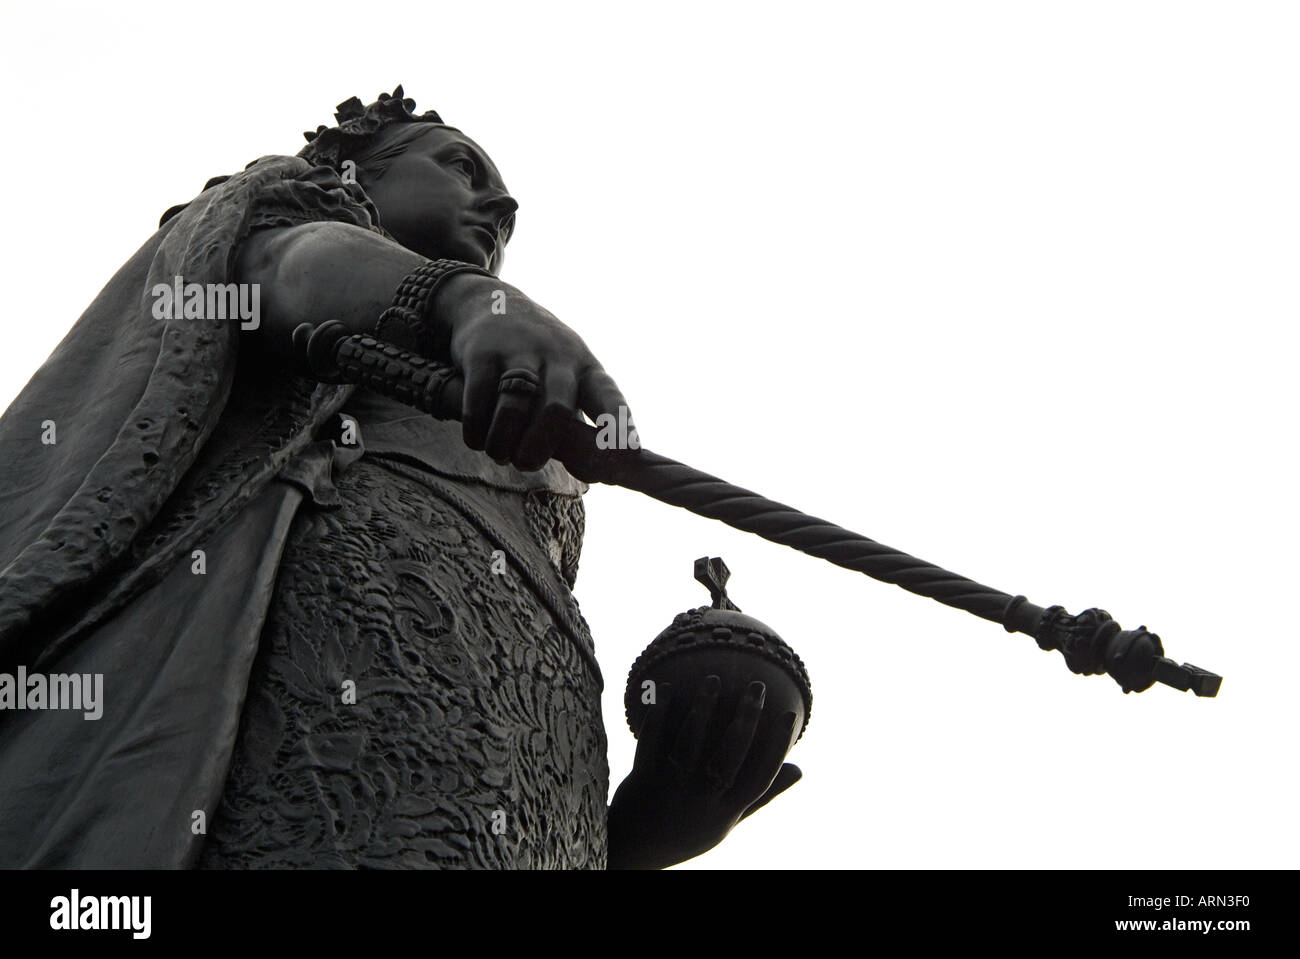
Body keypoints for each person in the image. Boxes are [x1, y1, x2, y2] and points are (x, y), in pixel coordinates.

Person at [0, 89, 797, 868]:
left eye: (506, 210)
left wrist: (639, 831)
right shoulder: (270, 234)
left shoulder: (536, 459)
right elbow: (290, 265)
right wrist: (454, 299)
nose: (500, 204)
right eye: (461, 168)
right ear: (351, 170)